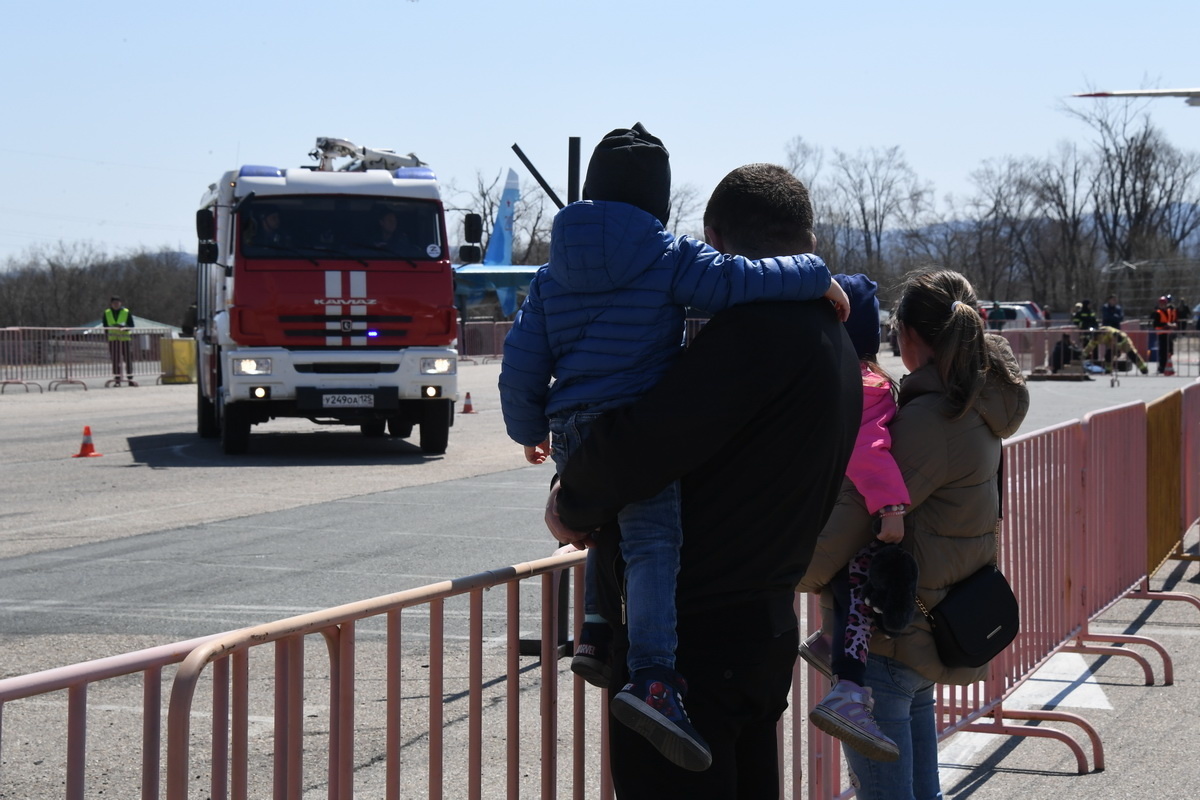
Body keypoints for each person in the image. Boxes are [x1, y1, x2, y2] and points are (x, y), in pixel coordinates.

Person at [500, 129, 848, 772]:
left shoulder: (553, 276)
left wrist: (557, 475)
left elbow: (638, 437)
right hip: (763, 619)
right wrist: (817, 275)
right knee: (652, 537)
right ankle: (629, 653)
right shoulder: (831, 342)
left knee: (640, 534)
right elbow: (735, 286)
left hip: (704, 637)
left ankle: (636, 660)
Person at [798, 268, 1029, 800]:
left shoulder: (930, 421)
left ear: (908, 336)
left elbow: (855, 519)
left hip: (890, 642)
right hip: (927, 625)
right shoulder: (975, 406)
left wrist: (791, 571)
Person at [803, 273, 916, 763]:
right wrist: (890, 505)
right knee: (861, 577)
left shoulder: (808, 379)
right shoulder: (870, 385)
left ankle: (832, 642)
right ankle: (849, 689)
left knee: (848, 587)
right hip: (847, 513)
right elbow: (869, 450)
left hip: (805, 510)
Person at [1081, 325, 1149, 375]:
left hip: (1123, 341)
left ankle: (1143, 368)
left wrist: (1117, 350)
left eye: (1095, 338)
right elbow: (1089, 348)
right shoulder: (1094, 338)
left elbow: (1117, 339)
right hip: (1112, 344)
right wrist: (1082, 356)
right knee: (1108, 355)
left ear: (1099, 334)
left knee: (1131, 354)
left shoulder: (1109, 332)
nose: (1094, 340)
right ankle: (1108, 370)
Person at [103, 296, 136, 387]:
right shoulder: (107, 312)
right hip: (113, 339)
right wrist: (107, 337)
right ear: (111, 304)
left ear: (120, 303)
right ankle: (117, 380)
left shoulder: (126, 312)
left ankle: (130, 379)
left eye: (117, 303)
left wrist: (125, 328)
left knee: (128, 360)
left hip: (125, 339)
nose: (116, 305)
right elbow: (105, 326)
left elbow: (132, 325)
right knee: (115, 360)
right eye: (114, 303)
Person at [1150, 295, 1177, 374]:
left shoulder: (1169, 311)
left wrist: (1173, 324)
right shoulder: (1157, 313)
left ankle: (1167, 366)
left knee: (1170, 350)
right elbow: (1156, 324)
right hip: (1162, 333)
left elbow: (1172, 320)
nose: (1162, 305)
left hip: (1168, 333)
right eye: (1161, 304)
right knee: (1163, 351)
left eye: (1164, 303)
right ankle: (1161, 367)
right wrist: (1166, 325)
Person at [1100, 295, 1125, 365]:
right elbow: (1107, 317)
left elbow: (1121, 317)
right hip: (1107, 329)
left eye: (1115, 299)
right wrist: (1115, 317)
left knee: (1116, 345)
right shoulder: (1105, 307)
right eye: (1113, 299)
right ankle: (1108, 362)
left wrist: (1114, 317)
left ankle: (1115, 361)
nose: (1114, 301)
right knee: (1109, 346)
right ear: (1109, 300)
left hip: (1116, 329)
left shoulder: (1118, 308)